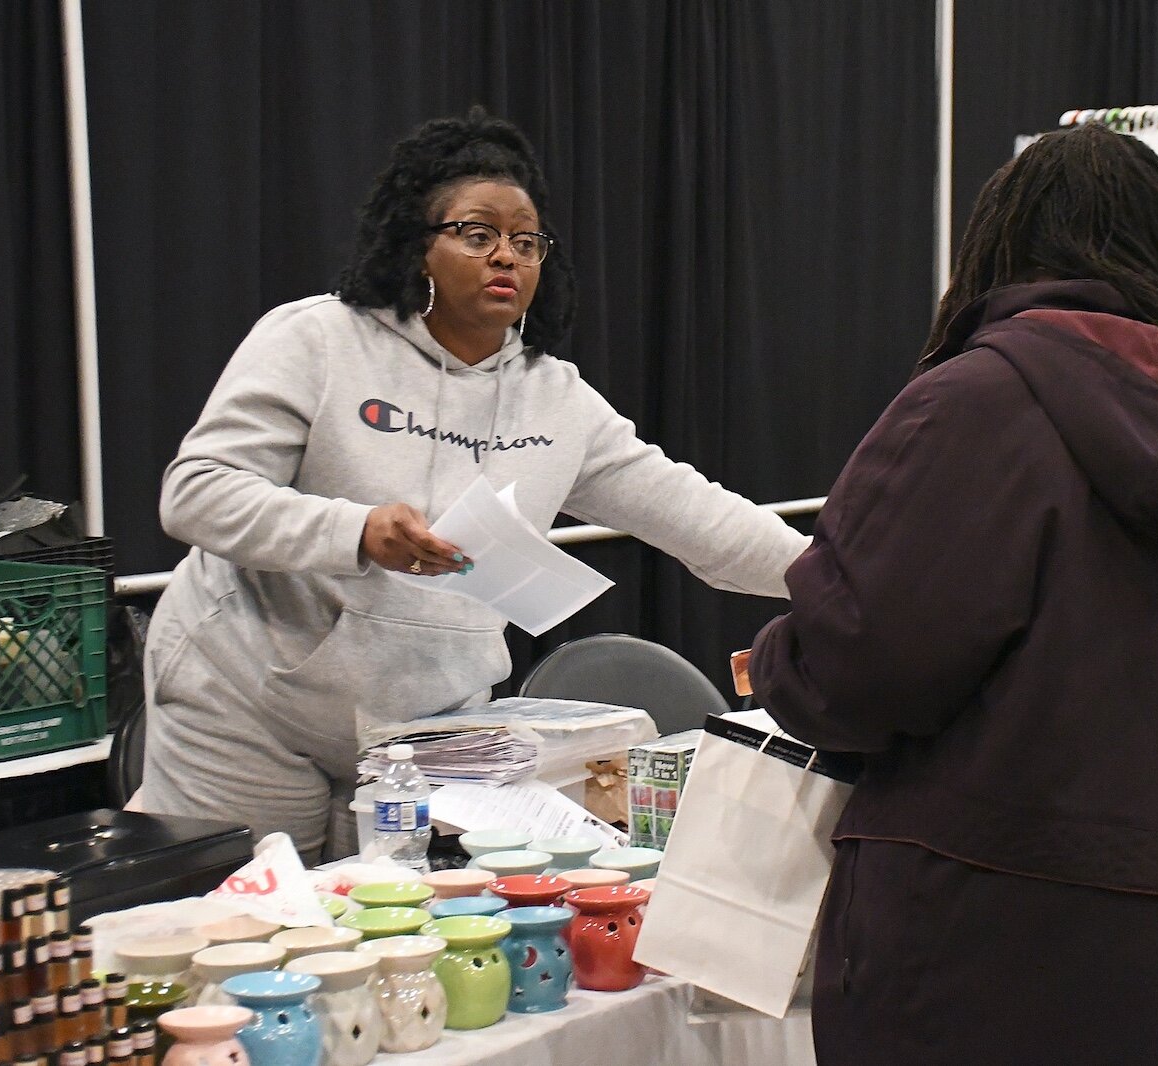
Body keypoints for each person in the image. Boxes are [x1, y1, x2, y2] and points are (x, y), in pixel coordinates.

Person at [749, 124, 1158, 1064]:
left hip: (996, 934)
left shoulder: (975, 400)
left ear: (996, 243)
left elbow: (859, 670)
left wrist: (776, 658)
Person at [137, 108, 807, 861]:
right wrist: (354, 533)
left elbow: (696, 515)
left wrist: (834, 576)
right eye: (477, 234)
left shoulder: (553, 399)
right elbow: (197, 491)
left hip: (422, 730)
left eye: (526, 242)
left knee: (398, 928)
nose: (506, 258)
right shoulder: (317, 340)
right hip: (247, 699)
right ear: (414, 243)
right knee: (247, 924)